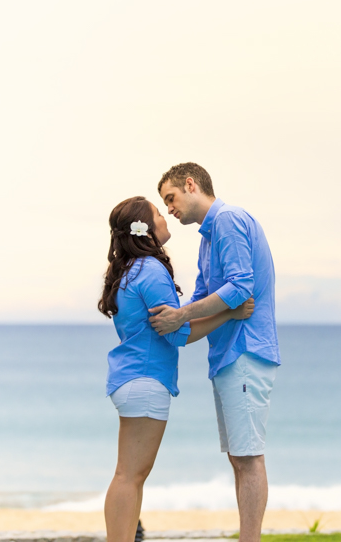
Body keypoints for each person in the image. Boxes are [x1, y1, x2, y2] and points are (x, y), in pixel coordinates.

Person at [98, 195, 254, 542]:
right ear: (146, 228)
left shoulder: (129, 270)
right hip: (145, 379)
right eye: (158, 212)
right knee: (130, 475)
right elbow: (179, 334)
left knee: (129, 474)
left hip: (130, 378)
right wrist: (230, 312)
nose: (165, 215)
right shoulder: (150, 270)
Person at [149, 163, 280, 542]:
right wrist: (169, 326)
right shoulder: (208, 238)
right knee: (239, 458)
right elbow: (200, 299)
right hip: (226, 356)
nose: (170, 209)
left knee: (249, 458)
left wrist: (182, 315)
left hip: (245, 352)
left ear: (191, 185)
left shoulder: (228, 220)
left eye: (170, 198)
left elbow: (241, 287)